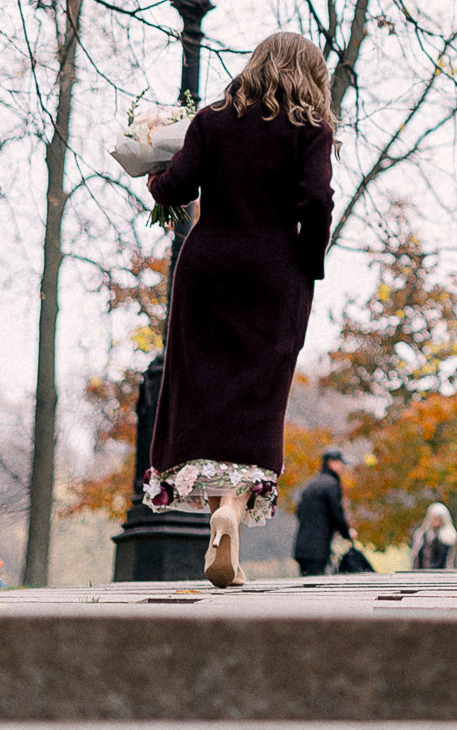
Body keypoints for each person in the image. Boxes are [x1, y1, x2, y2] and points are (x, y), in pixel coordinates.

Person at [134, 32, 337, 588]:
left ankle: (223, 528)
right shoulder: (311, 129)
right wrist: (308, 257)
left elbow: (175, 186)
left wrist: (154, 171)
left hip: (208, 266)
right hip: (273, 272)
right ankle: (233, 507)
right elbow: (317, 198)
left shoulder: (213, 120)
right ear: (309, 76)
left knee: (206, 387)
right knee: (257, 393)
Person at [292, 447, 354, 577]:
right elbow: (336, 513)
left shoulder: (312, 484)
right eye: (340, 463)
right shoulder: (331, 484)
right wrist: (347, 533)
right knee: (316, 587)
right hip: (318, 549)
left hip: (302, 547)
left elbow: (299, 512)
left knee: (306, 584)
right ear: (331, 462)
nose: (342, 466)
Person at [410, 502, 457, 570]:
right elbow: (416, 556)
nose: (434, 521)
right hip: (422, 572)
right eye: (433, 518)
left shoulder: (448, 537)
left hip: (441, 573)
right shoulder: (422, 536)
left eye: (437, 519)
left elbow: (447, 559)